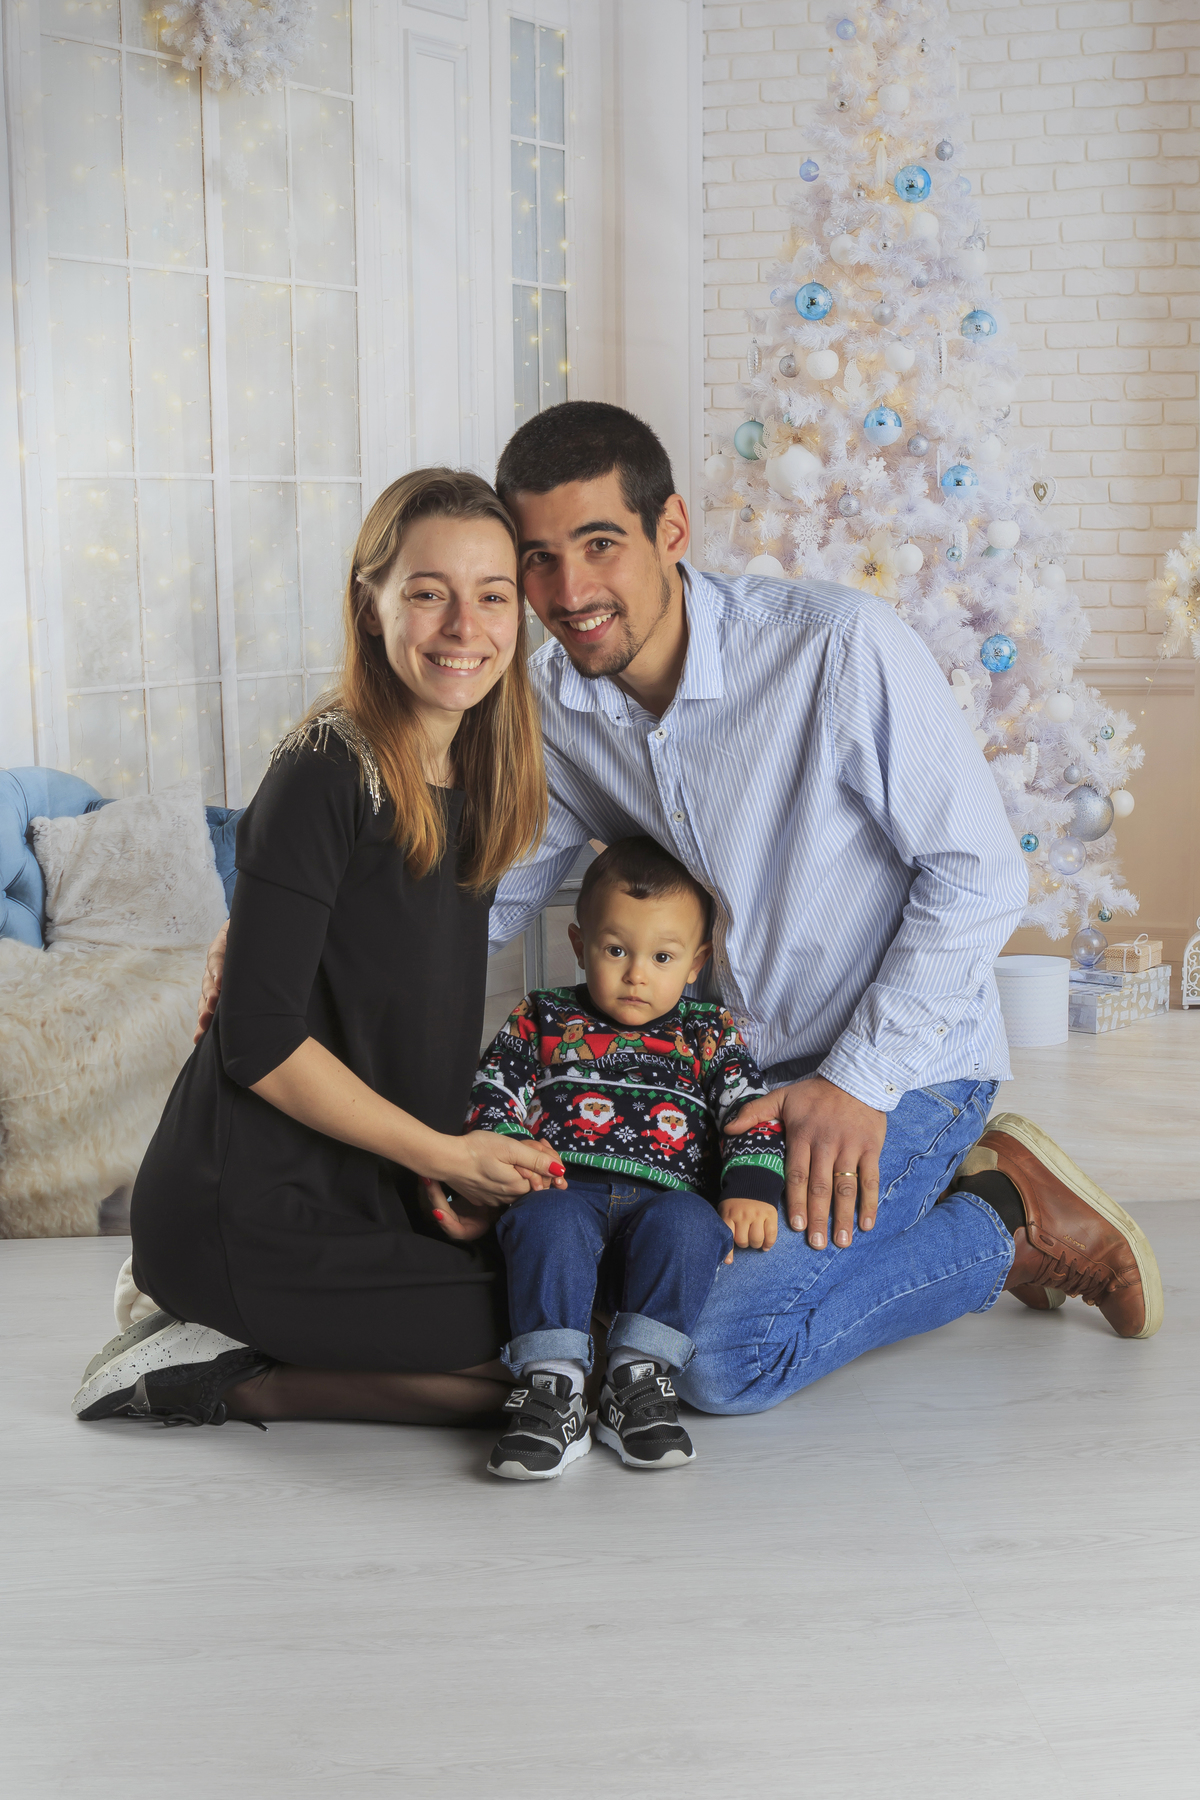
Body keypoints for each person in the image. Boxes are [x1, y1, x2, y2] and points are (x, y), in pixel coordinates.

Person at [189, 400, 1163, 1429]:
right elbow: (481, 898)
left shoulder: (837, 648)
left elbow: (979, 876)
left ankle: (1009, 1217)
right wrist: (282, 932)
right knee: (576, 1286)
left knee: (716, 1358)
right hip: (718, 1085)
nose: (570, 592)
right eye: (539, 560)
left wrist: (857, 1082)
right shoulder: (552, 706)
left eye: (600, 544)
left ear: (672, 530)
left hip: (900, 1071)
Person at [72, 468, 568, 1432]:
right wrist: (447, 1154)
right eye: (428, 593)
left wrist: (442, 1176)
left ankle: (236, 1345)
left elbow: (404, 1018)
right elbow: (258, 1043)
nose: (464, 627)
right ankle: (216, 1376)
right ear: (370, 603)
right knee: (532, 1343)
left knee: (561, 1314)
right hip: (249, 1205)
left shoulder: (481, 767)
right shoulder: (325, 771)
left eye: (492, 595)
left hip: (371, 1179)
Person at [440, 835, 785, 1480]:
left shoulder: (708, 1031)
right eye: (616, 950)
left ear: (695, 963)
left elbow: (749, 1113)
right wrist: (512, 1147)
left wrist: (749, 1189)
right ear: (580, 945)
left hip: (666, 1198)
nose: (636, 974)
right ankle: (553, 1389)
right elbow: (493, 1092)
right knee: (543, 1221)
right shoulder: (542, 1016)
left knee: (693, 1226)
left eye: (662, 957)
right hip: (562, 1189)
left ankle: (638, 1380)